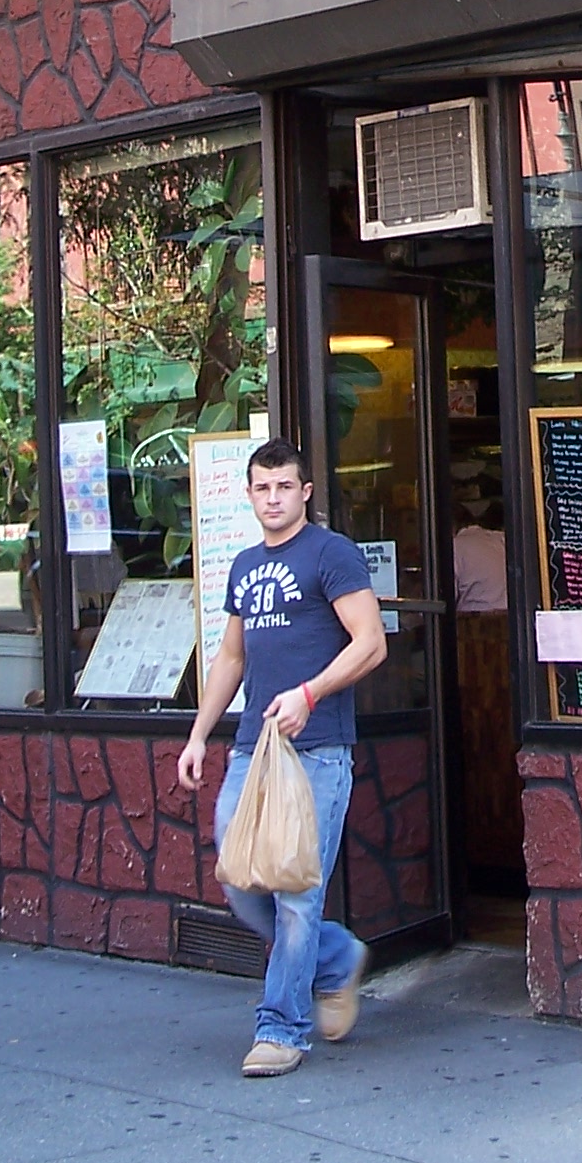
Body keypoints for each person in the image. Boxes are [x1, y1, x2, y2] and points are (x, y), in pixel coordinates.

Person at [176, 437, 386, 1079]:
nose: (273, 498)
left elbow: (371, 642)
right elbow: (231, 657)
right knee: (240, 879)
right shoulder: (244, 566)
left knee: (295, 893)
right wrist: (198, 734)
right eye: (263, 488)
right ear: (249, 495)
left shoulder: (331, 553)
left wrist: (309, 693)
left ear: (305, 492)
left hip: (317, 749)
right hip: (251, 749)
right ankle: (335, 958)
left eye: (284, 487)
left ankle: (281, 1028)